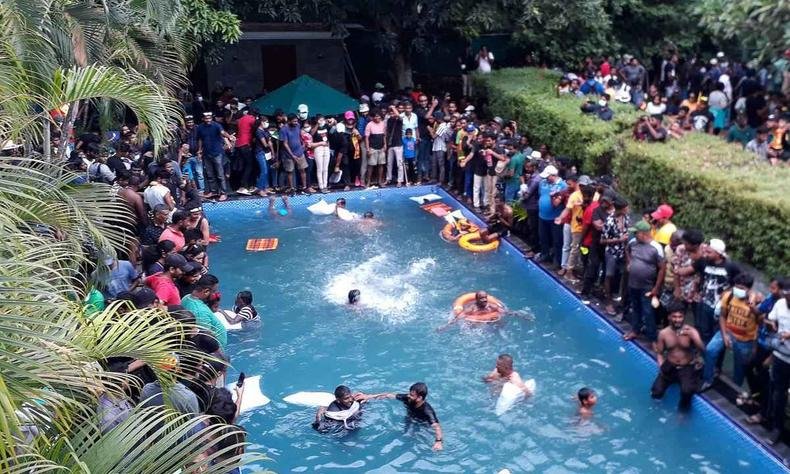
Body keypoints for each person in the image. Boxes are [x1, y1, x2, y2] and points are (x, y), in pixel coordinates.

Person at [701, 272, 761, 392]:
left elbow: (760, 320)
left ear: (749, 289)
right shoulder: (729, 296)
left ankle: (734, 389)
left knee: (739, 367)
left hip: (745, 340)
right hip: (727, 331)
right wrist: (724, 335)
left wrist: (753, 304)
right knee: (710, 350)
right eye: (736, 287)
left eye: (742, 288)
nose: (738, 290)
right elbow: (722, 316)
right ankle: (708, 380)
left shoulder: (757, 301)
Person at [651, 300, 705, 410]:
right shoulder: (663, 333)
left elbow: (703, 349)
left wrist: (693, 336)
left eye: (680, 317)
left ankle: (682, 413)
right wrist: (661, 366)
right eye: (674, 317)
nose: (677, 320)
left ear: (684, 317)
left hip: (686, 367)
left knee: (687, 391)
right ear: (669, 317)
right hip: (670, 365)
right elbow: (660, 353)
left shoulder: (691, 331)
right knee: (656, 391)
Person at [623, 220, 666, 346]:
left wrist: (656, 288)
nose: (634, 235)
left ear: (643, 234)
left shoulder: (656, 247)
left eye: (636, 233)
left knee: (648, 311)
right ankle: (635, 330)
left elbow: (662, 268)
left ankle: (652, 337)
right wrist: (629, 263)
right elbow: (627, 251)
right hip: (632, 283)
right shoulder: (633, 243)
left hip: (647, 285)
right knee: (635, 307)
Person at [365, 383, 443, 451]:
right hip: (410, 418)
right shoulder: (408, 398)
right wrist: (368, 396)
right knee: (406, 434)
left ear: (419, 398)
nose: (408, 396)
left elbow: (437, 426)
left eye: (412, 395)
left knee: (417, 437)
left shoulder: (427, 411)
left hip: (422, 423)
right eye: (409, 393)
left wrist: (438, 442)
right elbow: (388, 395)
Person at [765, 280, 790, 445]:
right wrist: (772, 324)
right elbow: (770, 319)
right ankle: (777, 428)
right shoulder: (780, 303)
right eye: (787, 296)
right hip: (781, 356)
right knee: (778, 393)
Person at [181, 274, 227, 350]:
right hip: (214, 353)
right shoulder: (200, 312)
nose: (214, 295)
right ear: (206, 291)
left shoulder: (186, 297)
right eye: (214, 291)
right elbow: (205, 340)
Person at [196, 112, 233, 201]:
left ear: (211, 118)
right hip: (206, 153)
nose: (208, 120)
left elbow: (222, 132)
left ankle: (223, 192)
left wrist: (229, 137)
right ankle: (213, 191)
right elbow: (200, 139)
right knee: (210, 174)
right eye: (206, 118)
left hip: (217, 153)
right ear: (203, 119)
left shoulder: (216, 125)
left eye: (209, 118)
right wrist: (200, 150)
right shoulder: (200, 127)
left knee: (220, 174)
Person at [280, 113, 315, 194]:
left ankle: (304, 187)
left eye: (296, 121)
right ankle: (292, 188)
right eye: (294, 121)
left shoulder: (298, 125)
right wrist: (292, 155)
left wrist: (303, 144)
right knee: (290, 171)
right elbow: (285, 143)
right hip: (289, 154)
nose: (296, 123)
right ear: (289, 121)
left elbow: (299, 135)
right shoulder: (284, 129)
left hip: (299, 152)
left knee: (302, 169)